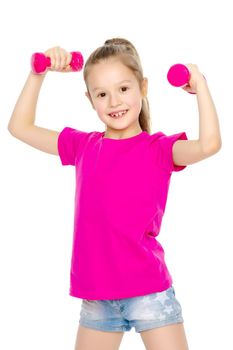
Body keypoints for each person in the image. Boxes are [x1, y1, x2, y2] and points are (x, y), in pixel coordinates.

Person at [8, 38, 222, 350]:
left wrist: (199, 84)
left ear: (142, 87)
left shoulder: (159, 149)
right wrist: (38, 74)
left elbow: (208, 145)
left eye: (123, 89)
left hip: (149, 293)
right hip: (97, 299)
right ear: (90, 99)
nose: (114, 102)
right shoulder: (82, 147)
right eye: (102, 94)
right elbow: (20, 127)